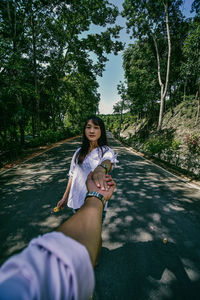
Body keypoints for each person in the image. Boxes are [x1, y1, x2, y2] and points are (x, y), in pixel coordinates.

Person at [0, 172, 116, 300]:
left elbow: (57, 262)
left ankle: (92, 261)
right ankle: (88, 266)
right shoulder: (78, 152)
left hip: (94, 201)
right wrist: (66, 197)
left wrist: (99, 177)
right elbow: (72, 176)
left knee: (95, 232)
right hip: (80, 201)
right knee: (91, 231)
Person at [57, 115, 118, 215]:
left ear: (101, 131)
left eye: (96, 127)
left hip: (95, 204)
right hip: (76, 202)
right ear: (84, 130)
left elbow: (108, 161)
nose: (92, 131)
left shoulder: (106, 151)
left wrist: (101, 169)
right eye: (88, 127)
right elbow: (72, 175)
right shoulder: (78, 152)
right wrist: (64, 198)